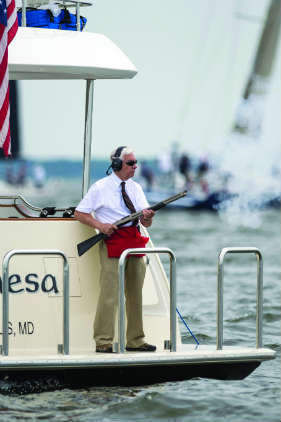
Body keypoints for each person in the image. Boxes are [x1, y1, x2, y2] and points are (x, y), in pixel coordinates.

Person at [74, 146, 156, 353]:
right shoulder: (100, 187)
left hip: (134, 241)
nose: (135, 167)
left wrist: (147, 218)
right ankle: (103, 340)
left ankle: (136, 340)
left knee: (136, 293)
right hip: (112, 242)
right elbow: (80, 213)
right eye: (130, 163)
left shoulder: (135, 188)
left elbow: (146, 223)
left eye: (136, 163)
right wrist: (101, 226)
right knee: (109, 294)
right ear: (118, 164)